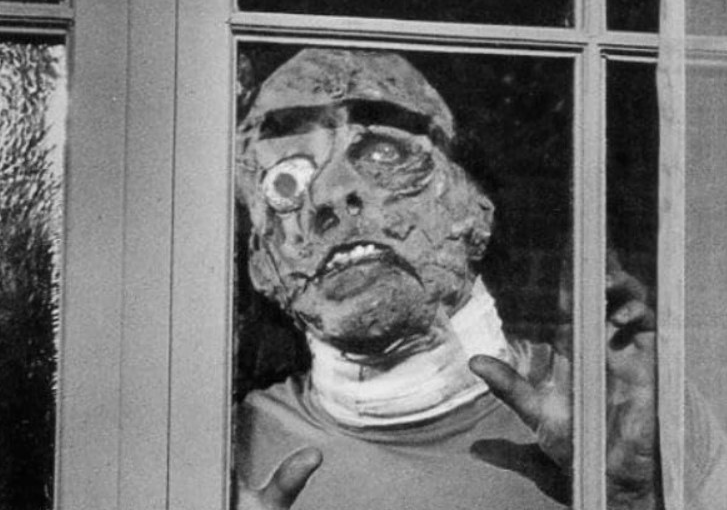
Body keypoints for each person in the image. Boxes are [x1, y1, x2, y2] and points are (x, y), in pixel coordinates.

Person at [232, 48, 726, 510]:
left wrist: (634, 499)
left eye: (383, 154)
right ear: (260, 263)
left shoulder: (623, 413)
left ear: (474, 205)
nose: (330, 194)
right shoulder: (231, 450)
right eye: (284, 183)